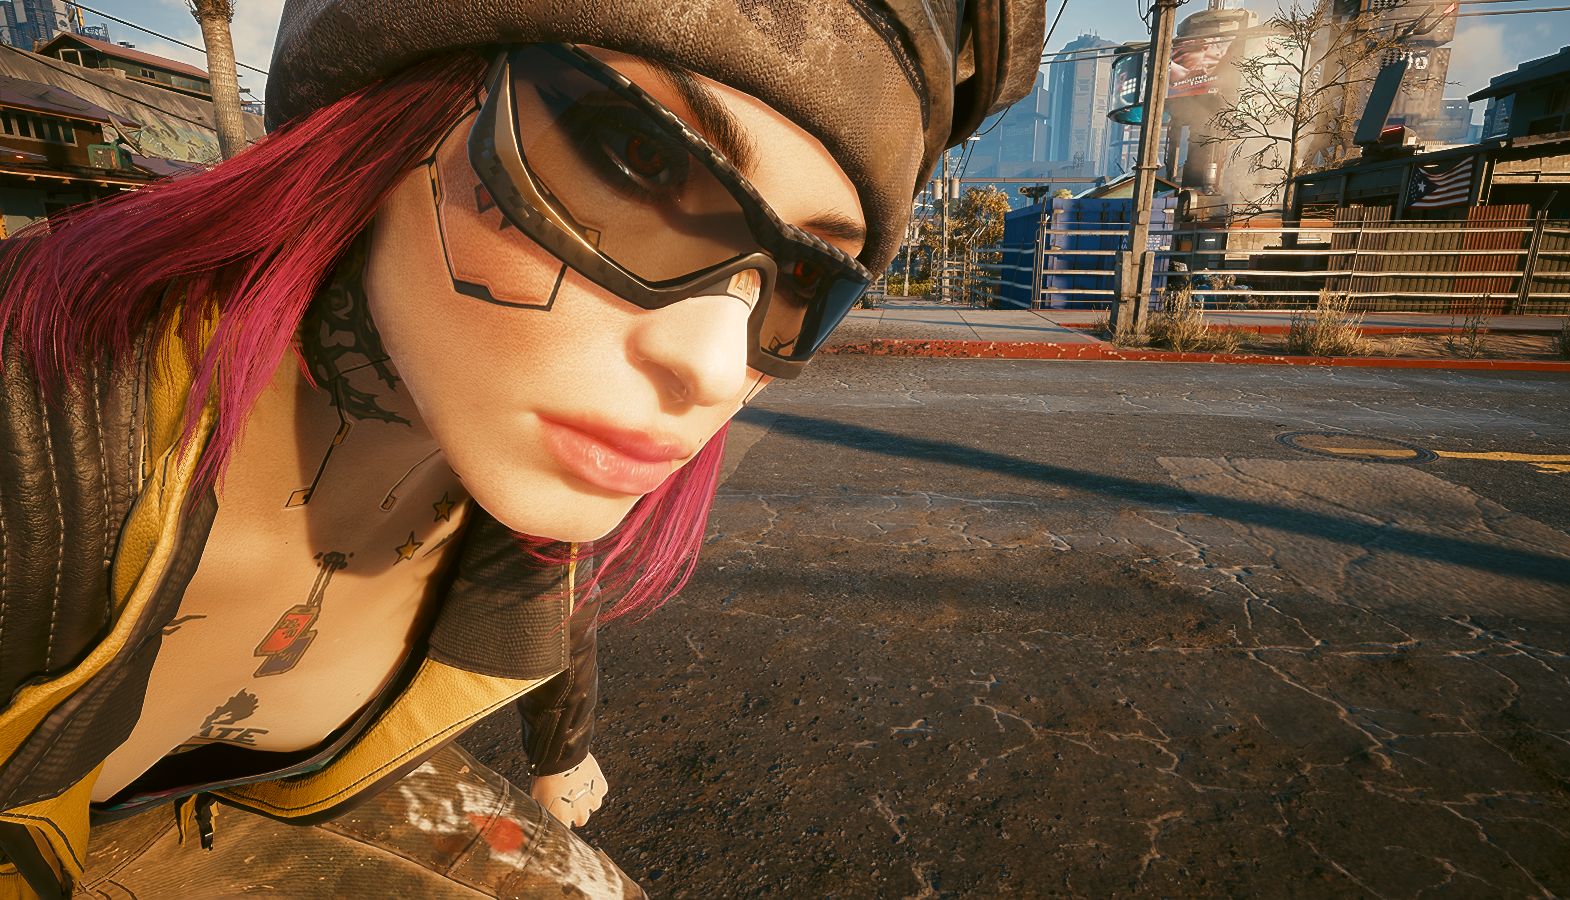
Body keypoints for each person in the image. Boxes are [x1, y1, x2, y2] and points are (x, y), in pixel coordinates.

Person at [0, 1, 1044, 896]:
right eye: (637, 160)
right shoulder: (40, 411)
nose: (716, 365)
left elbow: (553, 591)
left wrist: (562, 748)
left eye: (807, 280)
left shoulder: (500, 485)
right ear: (390, 113)